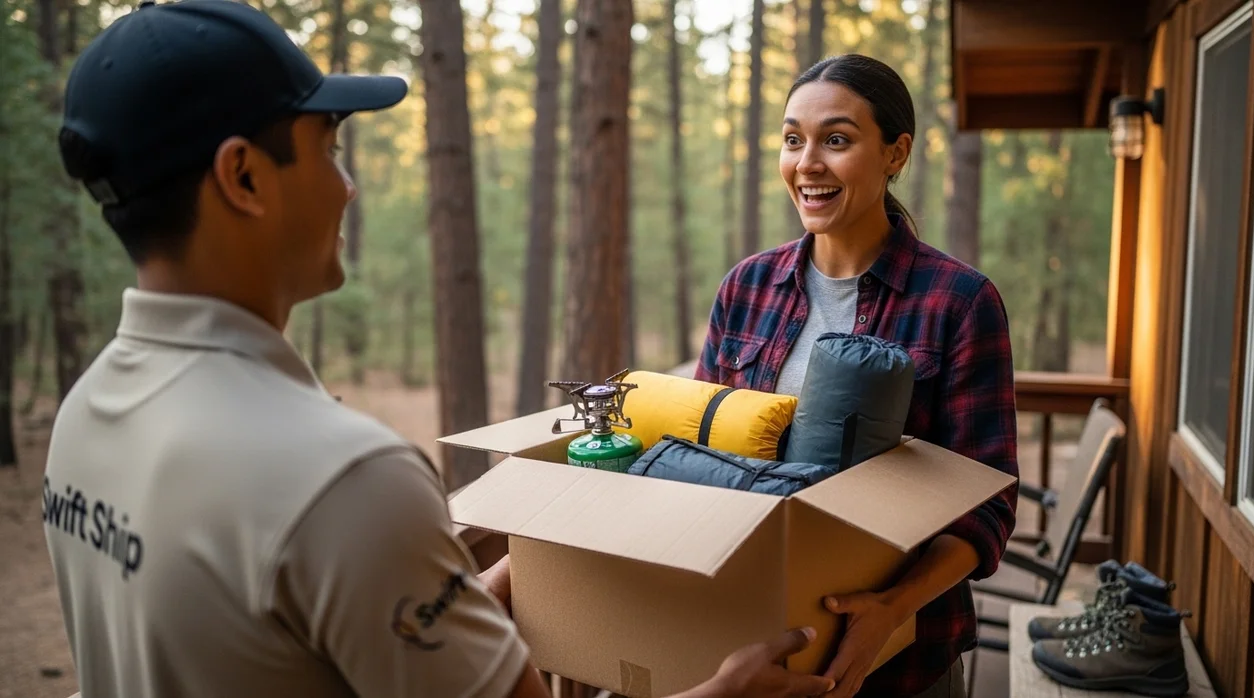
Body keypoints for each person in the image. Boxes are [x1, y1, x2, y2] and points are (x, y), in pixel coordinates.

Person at [41, 2, 840, 697]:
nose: (348, 184)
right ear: (243, 177)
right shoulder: (339, 478)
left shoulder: (87, 417)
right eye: (326, 147)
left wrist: (468, 593)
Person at [694, 53, 1019, 698]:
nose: (807, 164)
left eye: (836, 140)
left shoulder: (958, 300)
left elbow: (986, 505)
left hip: (901, 658)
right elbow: (700, 446)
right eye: (793, 140)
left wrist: (893, 608)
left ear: (896, 154)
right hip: (753, 643)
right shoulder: (747, 287)